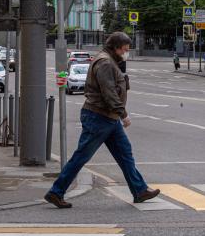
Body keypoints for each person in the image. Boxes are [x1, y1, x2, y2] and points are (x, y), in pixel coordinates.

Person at [45, 32, 159, 209]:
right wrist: (123, 113)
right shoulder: (105, 62)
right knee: (81, 156)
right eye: (125, 49)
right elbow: (109, 92)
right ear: (115, 48)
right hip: (99, 117)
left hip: (108, 118)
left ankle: (140, 190)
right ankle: (56, 192)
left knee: (125, 154)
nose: (126, 53)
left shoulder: (109, 60)